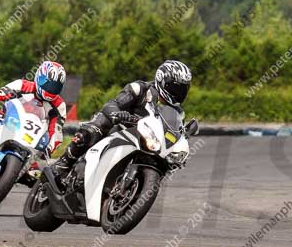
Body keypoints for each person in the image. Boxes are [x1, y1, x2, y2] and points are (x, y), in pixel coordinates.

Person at [51, 60, 192, 182]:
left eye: (183, 89)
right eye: (176, 87)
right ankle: (63, 164)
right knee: (94, 129)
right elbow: (113, 103)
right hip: (119, 127)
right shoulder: (140, 88)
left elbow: (175, 132)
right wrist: (119, 114)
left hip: (143, 143)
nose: (179, 93)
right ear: (162, 79)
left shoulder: (178, 113)